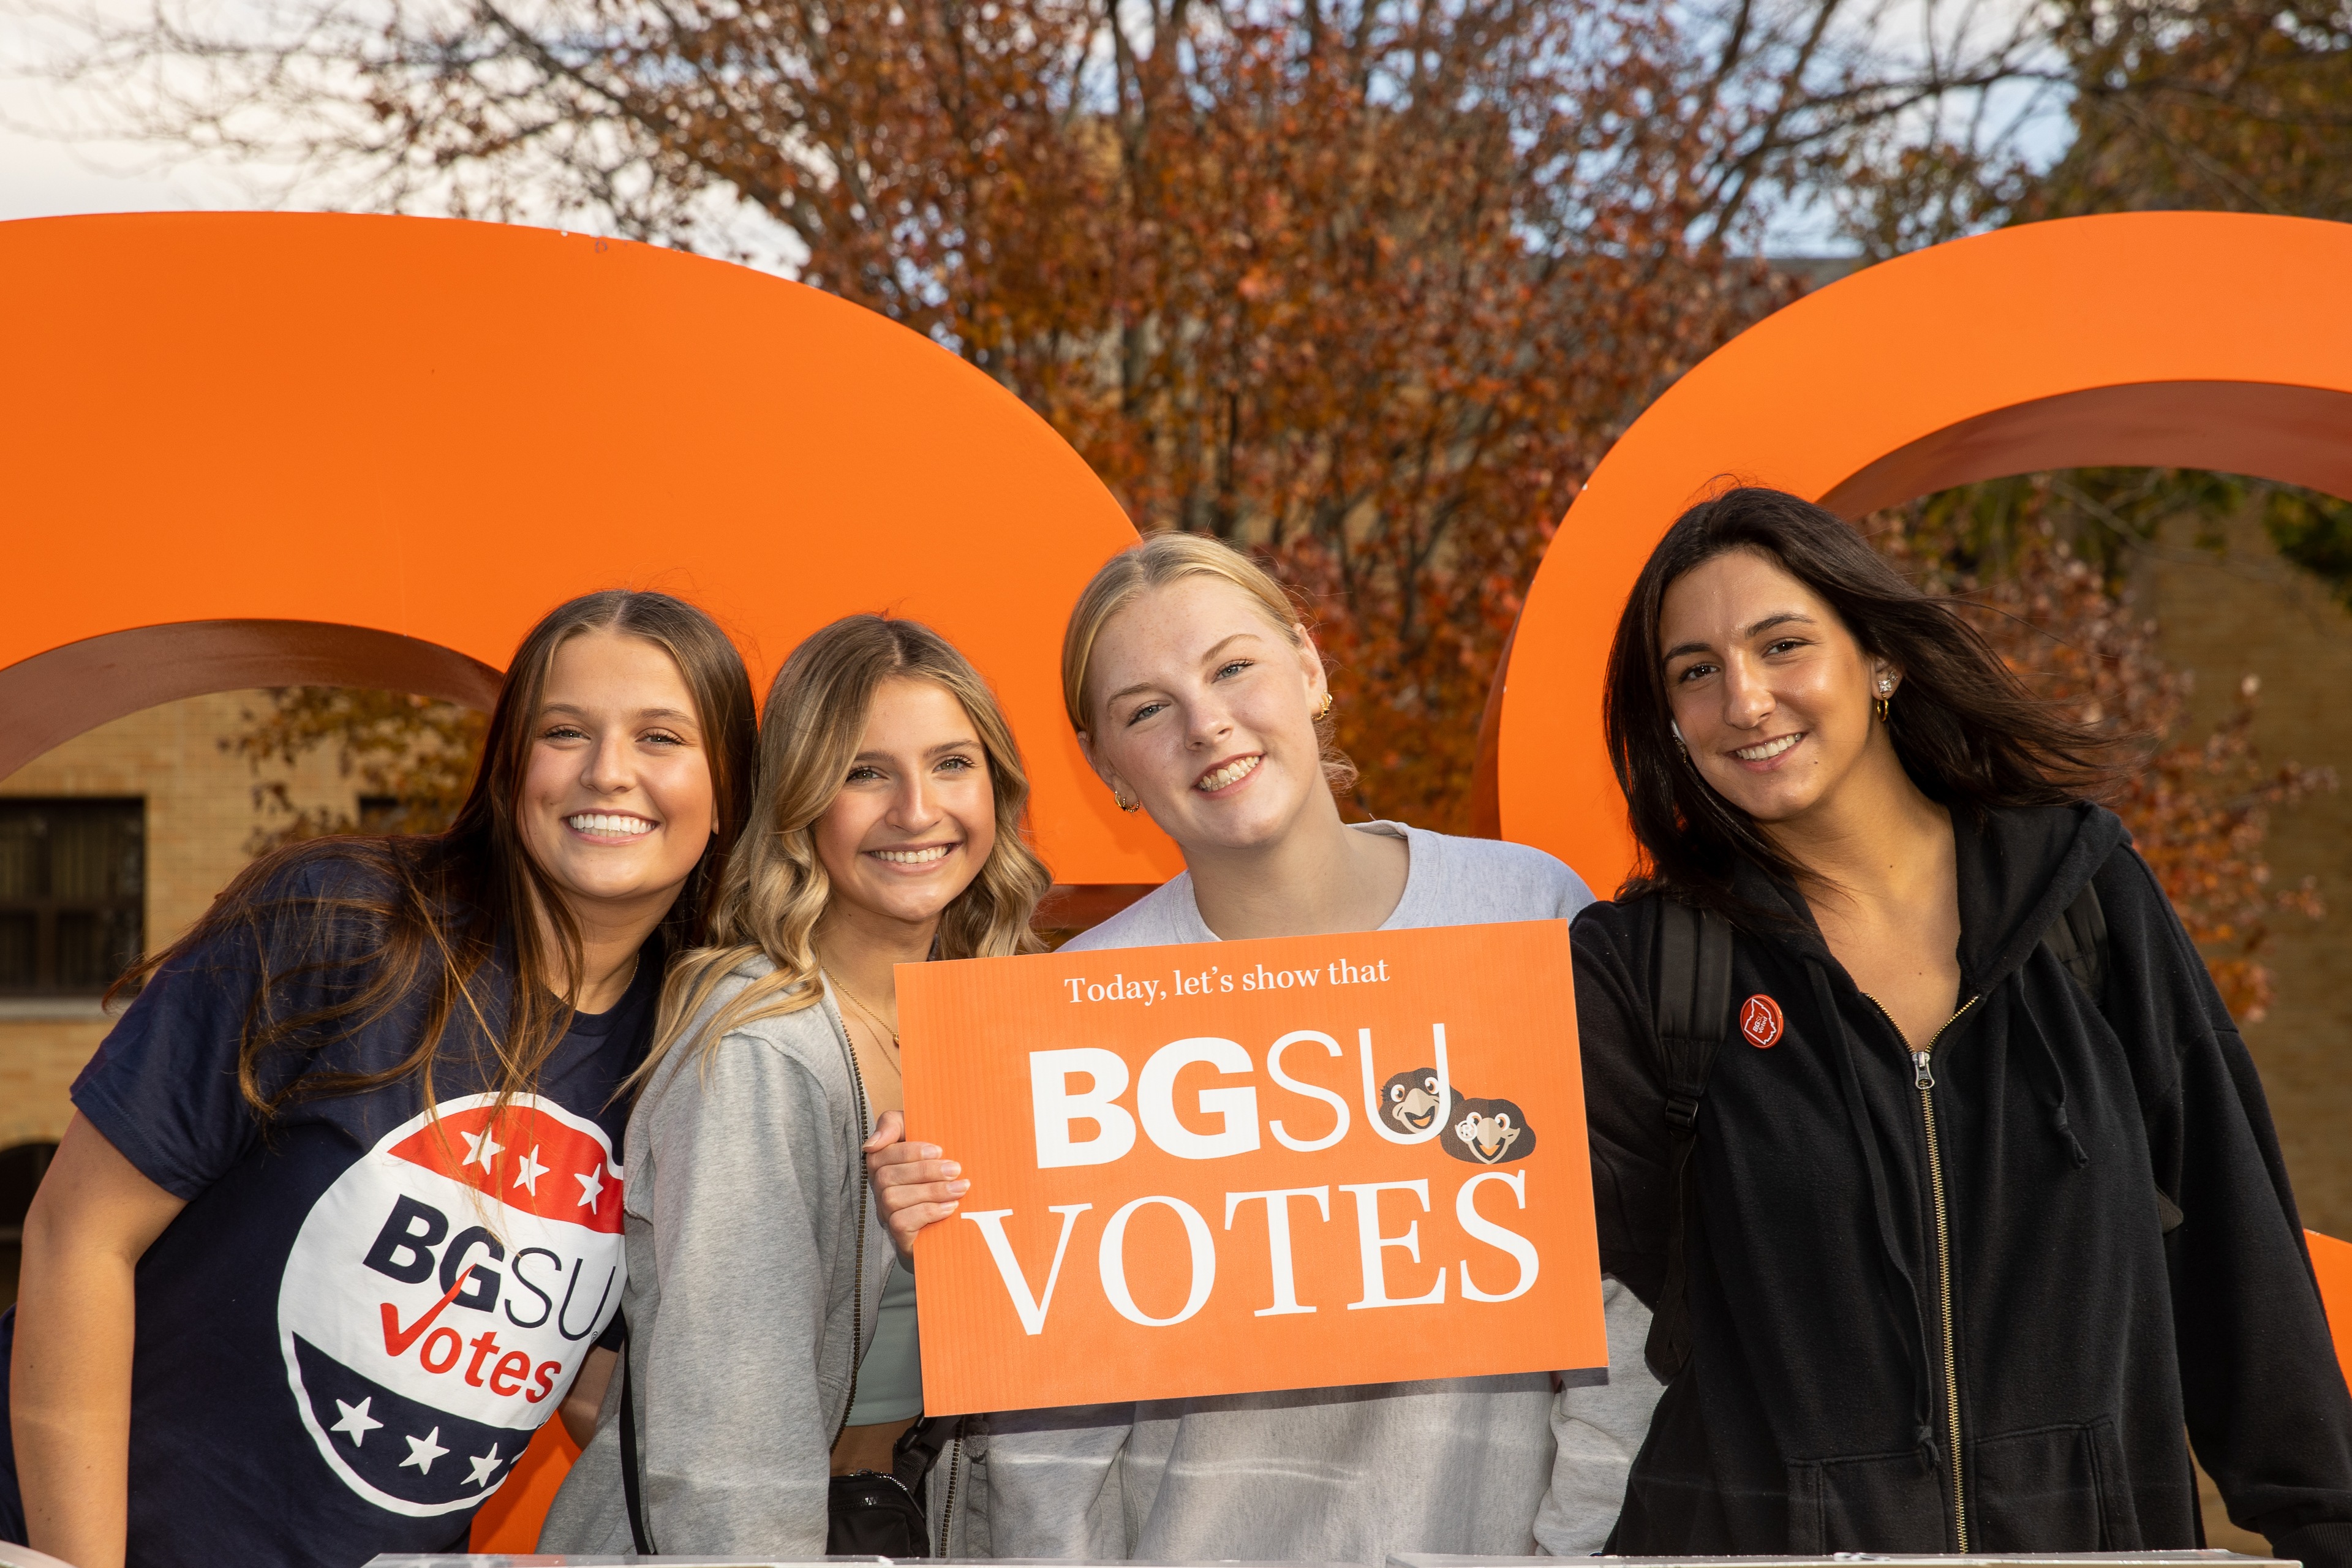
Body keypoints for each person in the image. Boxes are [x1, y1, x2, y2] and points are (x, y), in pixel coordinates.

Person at [1572, 486, 2352, 1559]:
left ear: (1880, 659)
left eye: (1782, 644)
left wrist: (2327, 1525)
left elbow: (2232, 1242)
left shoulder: (2081, 898)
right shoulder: (1649, 969)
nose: (1744, 701)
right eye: (1695, 672)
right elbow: (1530, 1276)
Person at [867, 532, 1664, 1567]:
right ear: (1103, 763)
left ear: (1311, 667)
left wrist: (1571, 1553)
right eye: (1146, 709)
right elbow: (1048, 1443)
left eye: (1232, 667)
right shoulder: (1065, 1006)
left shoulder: (1528, 913)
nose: (1207, 725)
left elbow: (1622, 1302)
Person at [2, 590, 758, 1568]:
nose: (608, 772)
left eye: (661, 737)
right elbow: (78, 1234)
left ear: (726, 788)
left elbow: (594, 1381)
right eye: (564, 731)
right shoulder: (341, 921)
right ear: (510, 766)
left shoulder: (693, 1053)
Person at [538, 614, 1050, 1559]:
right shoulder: (758, 1047)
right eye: (864, 772)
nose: (915, 810)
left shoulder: (1005, 1027)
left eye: (951, 763)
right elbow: (726, 1445)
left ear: (998, 789)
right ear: (801, 805)